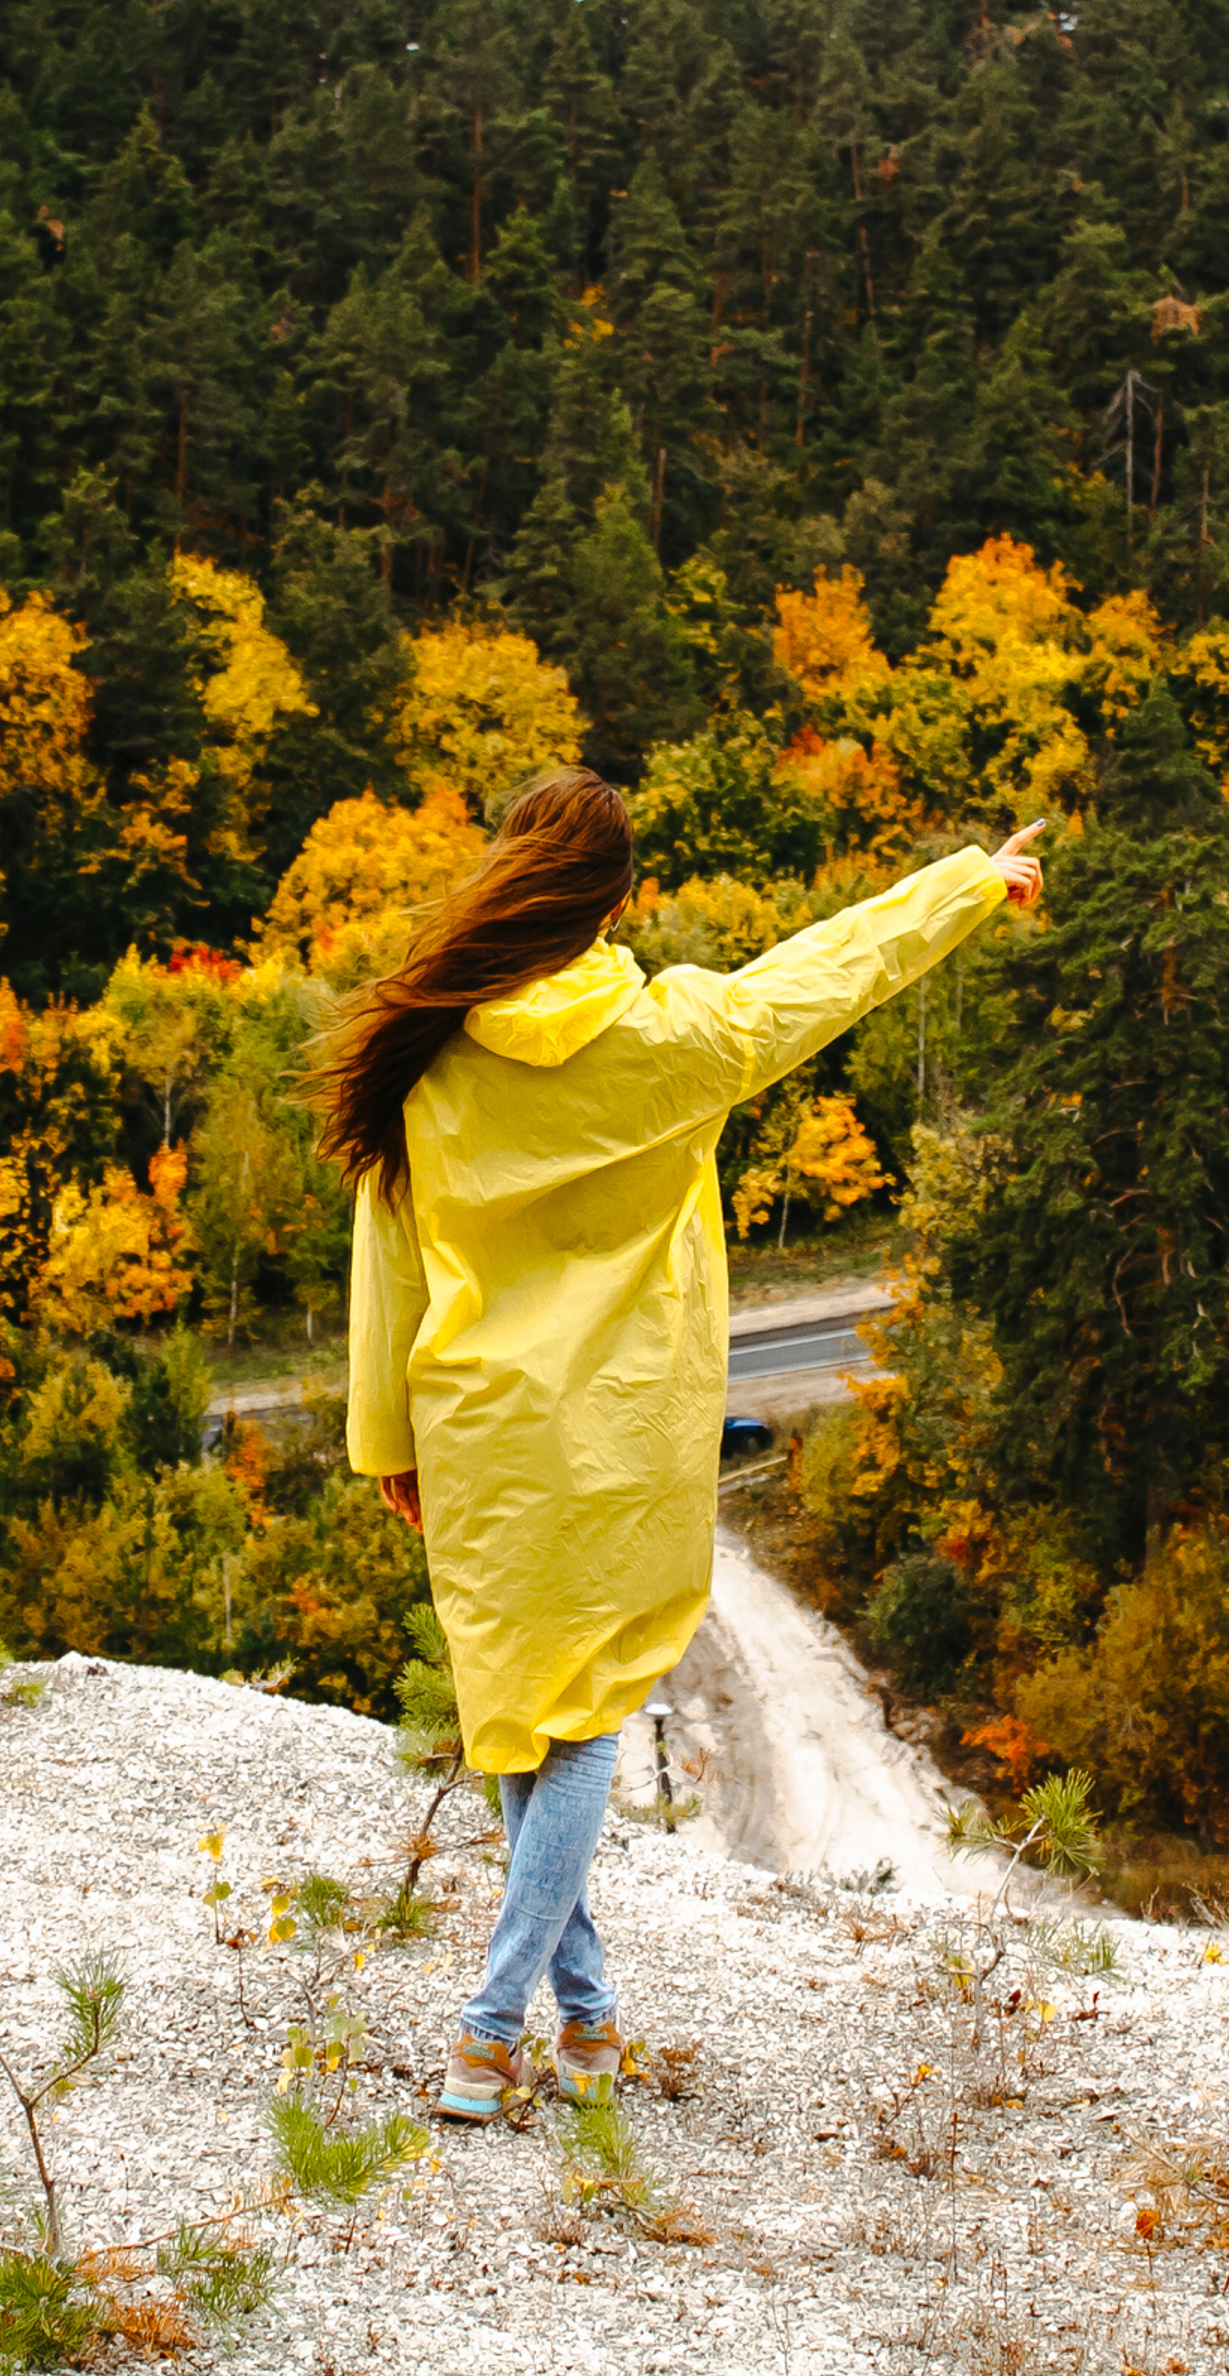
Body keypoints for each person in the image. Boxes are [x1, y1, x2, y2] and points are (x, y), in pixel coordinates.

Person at [312, 767, 1044, 2121]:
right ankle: (491, 2031)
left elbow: (387, 1264)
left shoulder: (425, 1055)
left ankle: (582, 2026)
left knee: (523, 1724)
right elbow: (831, 971)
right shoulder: (674, 1039)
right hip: (620, 1437)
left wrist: (388, 1447)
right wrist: (969, 883)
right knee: (574, 1728)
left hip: (477, 1429)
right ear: (619, 900)